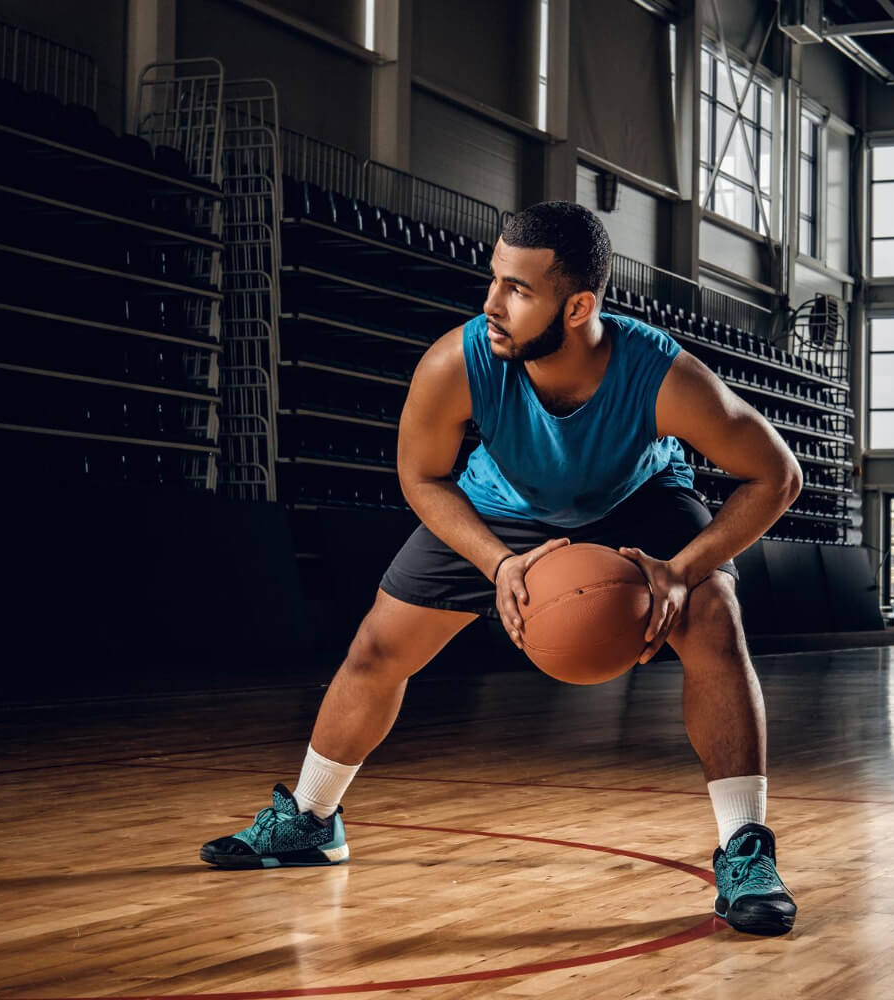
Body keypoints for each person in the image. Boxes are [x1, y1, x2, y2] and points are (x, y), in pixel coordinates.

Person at [200, 201, 804, 936]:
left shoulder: (662, 376)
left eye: (518, 288)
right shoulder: (457, 362)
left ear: (578, 305)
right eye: (495, 279)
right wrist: (498, 563)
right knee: (377, 649)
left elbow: (778, 477)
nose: (491, 302)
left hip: (637, 500)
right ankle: (310, 820)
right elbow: (422, 476)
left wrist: (681, 569)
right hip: (501, 509)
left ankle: (745, 849)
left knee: (716, 620)